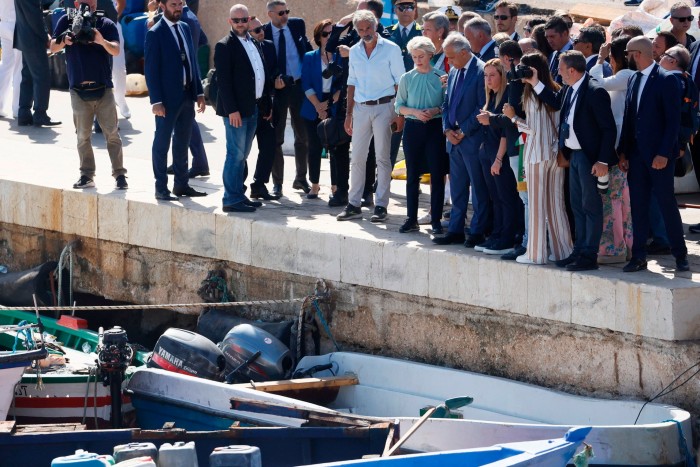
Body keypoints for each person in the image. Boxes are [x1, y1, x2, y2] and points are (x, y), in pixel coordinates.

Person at [529, 50, 617, 271]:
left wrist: (603, 161)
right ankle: (579, 251)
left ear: (571, 70)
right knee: (577, 206)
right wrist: (535, 82)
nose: (557, 72)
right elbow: (555, 101)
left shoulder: (595, 91)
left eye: (559, 68)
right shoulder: (569, 88)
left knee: (591, 207)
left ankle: (589, 256)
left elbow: (608, 130)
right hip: (574, 155)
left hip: (590, 158)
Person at [618, 37, 689, 272]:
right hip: (636, 156)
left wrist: (663, 154)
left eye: (628, 53)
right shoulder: (634, 79)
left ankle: (681, 256)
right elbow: (630, 118)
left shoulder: (667, 79)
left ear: (637, 54)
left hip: (659, 158)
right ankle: (638, 256)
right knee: (637, 207)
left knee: (666, 205)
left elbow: (673, 122)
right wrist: (624, 153)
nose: (626, 57)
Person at [503, 51, 572, 264]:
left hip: (536, 155)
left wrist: (513, 117)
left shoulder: (531, 94)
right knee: (556, 205)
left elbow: (532, 128)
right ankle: (563, 252)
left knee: (536, 206)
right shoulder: (557, 89)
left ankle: (536, 254)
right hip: (555, 155)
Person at [50, 0, 128, 190]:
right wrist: (64, 40)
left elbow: (116, 50)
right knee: (82, 136)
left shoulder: (105, 23)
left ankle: (119, 175)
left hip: (103, 88)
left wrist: (101, 40)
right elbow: (52, 47)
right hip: (78, 89)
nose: (89, 4)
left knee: (112, 135)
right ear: (76, 2)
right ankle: (87, 175)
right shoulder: (65, 21)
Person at [336, 9, 404, 222]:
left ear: (376, 26)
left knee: (383, 158)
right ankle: (354, 204)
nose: (365, 32)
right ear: (356, 30)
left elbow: (400, 82)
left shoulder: (391, 49)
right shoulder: (355, 51)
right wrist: (348, 114)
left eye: (369, 28)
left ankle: (381, 205)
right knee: (357, 157)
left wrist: (398, 113)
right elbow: (351, 82)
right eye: (361, 29)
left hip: (385, 106)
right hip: (361, 108)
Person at [144, 0, 207, 201]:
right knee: (162, 143)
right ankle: (161, 188)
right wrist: (156, 101)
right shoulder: (155, 33)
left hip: (187, 95)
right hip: (167, 100)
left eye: (180, 4)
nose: (178, 8)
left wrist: (198, 92)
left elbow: (192, 62)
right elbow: (151, 70)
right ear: (162, 6)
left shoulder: (186, 28)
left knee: (182, 142)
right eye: (173, 4)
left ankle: (181, 184)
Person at [215, 4, 271, 213]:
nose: (240, 23)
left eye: (244, 20)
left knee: (243, 155)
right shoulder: (224, 46)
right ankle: (230, 198)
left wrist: (265, 104)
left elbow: (259, 75)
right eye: (236, 20)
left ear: (249, 20)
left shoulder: (253, 42)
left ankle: (238, 194)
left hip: (253, 108)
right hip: (236, 112)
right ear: (230, 22)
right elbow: (224, 82)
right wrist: (232, 111)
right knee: (235, 154)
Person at [432, 33, 485, 246]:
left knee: (478, 189)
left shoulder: (481, 71)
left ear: (464, 52)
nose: (449, 62)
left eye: (451, 57)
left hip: (472, 139)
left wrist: (462, 131)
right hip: (453, 140)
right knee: (457, 189)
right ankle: (455, 230)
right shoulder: (454, 71)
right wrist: (447, 130)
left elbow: (482, 106)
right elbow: (446, 104)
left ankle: (478, 230)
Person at [395, 36, 446, 234]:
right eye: (414, 56)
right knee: (412, 174)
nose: (417, 60)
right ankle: (411, 218)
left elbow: (447, 104)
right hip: (413, 128)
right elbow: (399, 106)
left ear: (430, 55)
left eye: (421, 56)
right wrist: (416, 112)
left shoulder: (441, 76)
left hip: (434, 127)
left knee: (437, 173)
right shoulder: (407, 77)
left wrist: (434, 110)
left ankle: (436, 219)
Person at [590, 35, 634, 263]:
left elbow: (596, 83)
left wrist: (599, 60)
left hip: (616, 147)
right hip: (618, 144)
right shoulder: (626, 76)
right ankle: (623, 245)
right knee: (619, 199)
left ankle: (615, 248)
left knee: (613, 199)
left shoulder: (626, 75)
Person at [264, 0, 313, 198]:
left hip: (300, 86)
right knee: (277, 137)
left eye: (287, 12)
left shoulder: (296, 24)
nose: (285, 16)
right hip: (279, 90)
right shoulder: (264, 33)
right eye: (280, 13)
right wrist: (273, 81)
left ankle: (301, 178)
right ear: (270, 15)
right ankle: (277, 183)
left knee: (303, 136)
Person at [476, 58, 522, 255]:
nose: (488, 79)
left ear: (501, 76)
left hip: (499, 155)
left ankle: (507, 237)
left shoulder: (505, 99)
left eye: (492, 75)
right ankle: (496, 234)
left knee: (506, 197)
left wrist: (498, 159)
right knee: (495, 198)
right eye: (486, 75)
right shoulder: (490, 97)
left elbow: (506, 132)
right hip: (486, 152)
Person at [301, 19, 341, 200]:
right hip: (312, 105)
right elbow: (306, 82)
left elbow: (344, 83)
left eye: (332, 33)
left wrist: (328, 105)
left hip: (334, 104)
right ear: (318, 37)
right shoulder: (310, 56)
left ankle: (335, 186)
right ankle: (315, 185)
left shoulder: (341, 56)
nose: (329, 37)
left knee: (335, 148)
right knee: (314, 147)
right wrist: (318, 105)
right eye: (325, 34)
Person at [248, 15, 281, 201]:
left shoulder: (268, 46)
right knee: (242, 150)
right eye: (258, 30)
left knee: (268, 147)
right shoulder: (242, 48)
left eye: (263, 29)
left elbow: (273, 70)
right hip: (246, 108)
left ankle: (259, 185)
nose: (262, 33)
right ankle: (238, 186)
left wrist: (278, 80)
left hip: (265, 106)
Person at [14, 0, 60, 127]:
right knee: (42, 76)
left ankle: (24, 113)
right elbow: (35, 17)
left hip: (25, 36)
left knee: (27, 76)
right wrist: (46, 36)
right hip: (33, 39)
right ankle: (40, 113)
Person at [0, 0, 22, 118]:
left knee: (6, 65)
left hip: (4, 23)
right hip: (16, 24)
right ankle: (18, 108)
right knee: (19, 68)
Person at [544, 15, 572, 84]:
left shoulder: (575, 54)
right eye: (547, 37)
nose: (549, 40)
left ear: (565, 34)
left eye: (552, 36)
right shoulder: (553, 54)